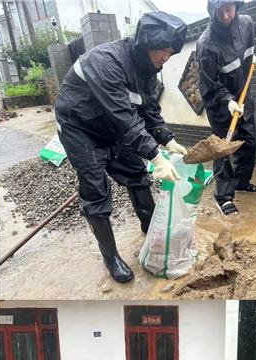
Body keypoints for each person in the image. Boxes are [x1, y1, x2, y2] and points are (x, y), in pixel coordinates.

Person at [55, 12, 188, 284]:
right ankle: (111, 257)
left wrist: (166, 139)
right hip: (81, 128)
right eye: (163, 51)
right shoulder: (106, 61)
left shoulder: (149, 73)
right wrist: (154, 155)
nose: (166, 57)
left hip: (113, 127)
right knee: (95, 190)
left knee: (136, 175)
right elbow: (124, 115)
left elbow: (148, 110)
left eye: (170, 52)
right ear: (146, 45)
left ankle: (150, 228)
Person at [197, 0, 256, 216]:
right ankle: (224, 197)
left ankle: (242, 182)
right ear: (213, 12)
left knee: (249, 142)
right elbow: (209, 82)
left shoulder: (247, 25)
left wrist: (252, 60)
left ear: (237, 6)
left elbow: (247, 54)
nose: (227, 15)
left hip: (244, 99)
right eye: (222, 11)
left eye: (230, 9)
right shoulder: (207, 43)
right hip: (220, 103)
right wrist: (228, 101)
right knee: (223, 148)